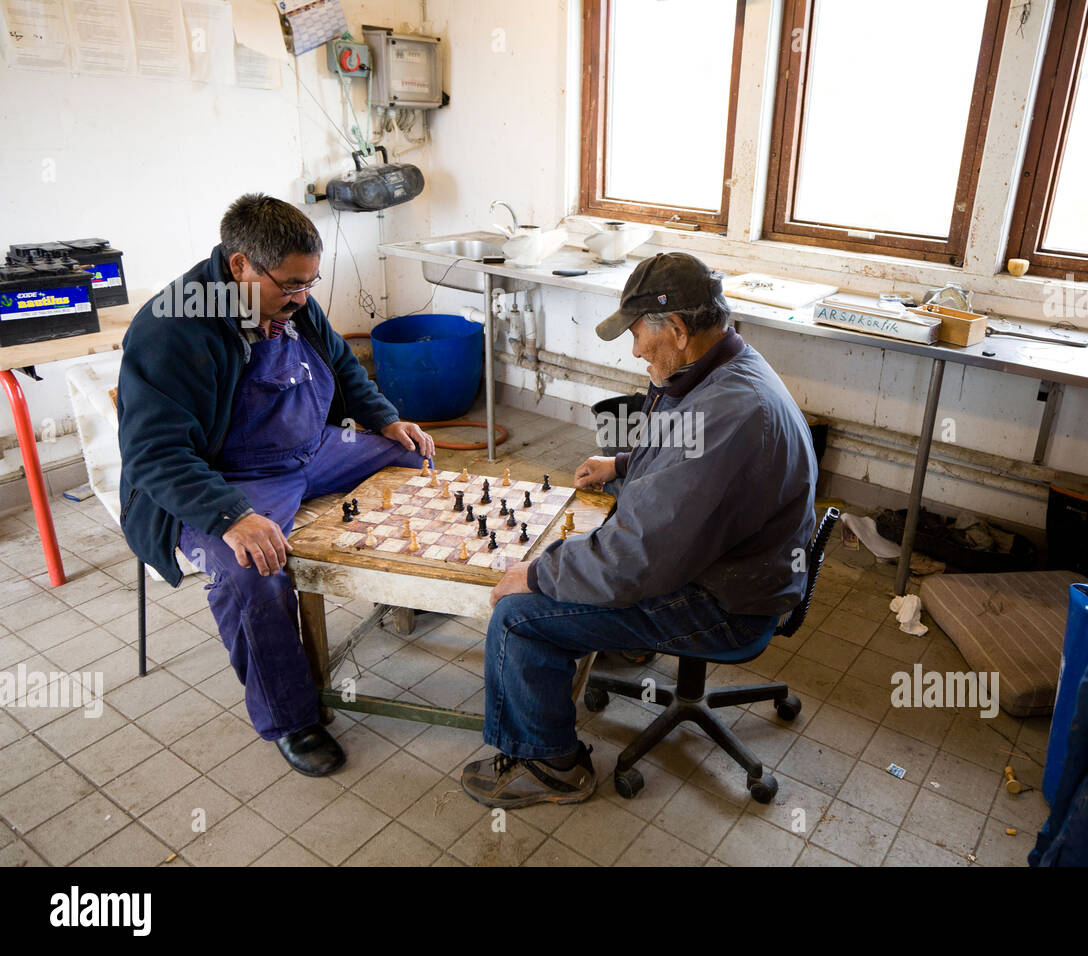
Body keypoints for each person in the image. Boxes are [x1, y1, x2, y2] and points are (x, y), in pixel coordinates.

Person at [460, 252, 816, 809]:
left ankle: (549, 765)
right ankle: (623, 647)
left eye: (637, 335)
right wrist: (624, 464)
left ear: (676, 329)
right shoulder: (722, 364)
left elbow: (637, 556)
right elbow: (687, 454)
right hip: (738, 569)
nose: (634, 351)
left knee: (518, 617)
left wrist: (538, 573)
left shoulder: (733, 407)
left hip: (726, 604)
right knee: (585, 552)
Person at [117, 194, 435, 776]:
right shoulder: (173, 328)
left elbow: (340, 366)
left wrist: (386, 418)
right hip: (229, 480)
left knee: (411, 457)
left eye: (310, 283)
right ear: (240, 266)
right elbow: (152, 454)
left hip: (309, 451)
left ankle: (409, 594)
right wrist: (230, 516)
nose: (302, 298)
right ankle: (292, 718)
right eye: (290, 285)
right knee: (251, 571)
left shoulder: (293, 302)